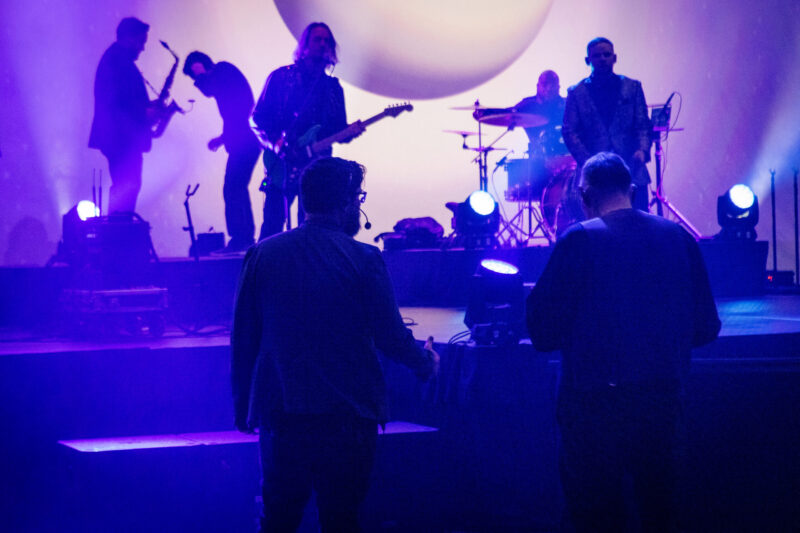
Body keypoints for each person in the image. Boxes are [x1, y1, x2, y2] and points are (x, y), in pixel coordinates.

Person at [231, 156, 438, 532]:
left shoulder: (262, 254)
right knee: (341, 519)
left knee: (277, 518)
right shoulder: (364, 258)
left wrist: (242, 406)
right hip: (348, 415)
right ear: (346, 203)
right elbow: (390, 334)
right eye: (357, 197)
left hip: (281, 413)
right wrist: (424, 361)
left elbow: (244, 338)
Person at [526, 152, 720, 532]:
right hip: (664, 402)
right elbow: (707, 327)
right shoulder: (679, 237)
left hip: (594, 408)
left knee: (596, 515)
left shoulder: (579, 239)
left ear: (584, 196)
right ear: (632, 190)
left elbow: (542, 331)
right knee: (661, 513)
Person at [251, 22, 363, 241]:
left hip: (317, 168)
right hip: (282, 162)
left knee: (312, 228)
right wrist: (277, 144)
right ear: (304, 46)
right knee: (272, 226)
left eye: (327, 41)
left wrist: (350, 132)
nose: (323, 44)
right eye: (317, 40)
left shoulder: (333, 88)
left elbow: (337, 128)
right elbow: (258, 118)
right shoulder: (281, 78)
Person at [562, 37, 653, 211]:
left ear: (615, 57)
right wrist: (588, 161)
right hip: (593, 173)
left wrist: (642, 150)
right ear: (588, 61)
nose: (602, 59)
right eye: (597, 56)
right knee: (596, 226)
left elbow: (643, 124)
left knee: (638, 224)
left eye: (606, 54)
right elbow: (569, 131)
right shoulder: (576, 92)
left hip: (631, 166)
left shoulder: (632, 87)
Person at [183, 51, 261, 252]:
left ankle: (241, 239)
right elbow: (236, 111)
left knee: (233, 187)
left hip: (246, 139)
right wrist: (222, 138)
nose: (198, 84)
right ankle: (244, 238)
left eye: (195, 77)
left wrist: (200, 74)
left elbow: (236, 109)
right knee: (236, 187)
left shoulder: (223, 72)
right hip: (246, 138)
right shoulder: (223, 74)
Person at [89, 17, 154, 214]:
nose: (142, 48)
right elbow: (114, 101)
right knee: (127, 185)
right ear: (129, 38)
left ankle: (120, 230)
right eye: (141, 42)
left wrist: (146, 109)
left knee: (127, 185)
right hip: (121, 138)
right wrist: (145, 111)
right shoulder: (117, 61)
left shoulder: (116, 59)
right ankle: (119, 232)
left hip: (119, 137)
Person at [514, 70, 568, 157]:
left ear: (558, 87)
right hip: (538, 157)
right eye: (545, 84)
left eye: (552, 84)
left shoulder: (567, 104)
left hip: (567, 155)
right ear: (538, 86)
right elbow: (508, 114)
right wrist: (486, 111)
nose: (549, 88)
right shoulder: (528, 105)